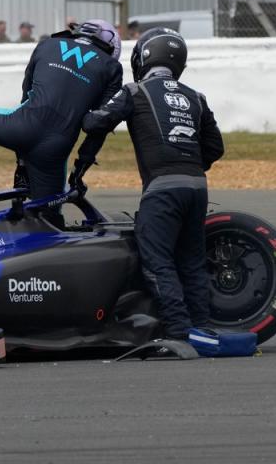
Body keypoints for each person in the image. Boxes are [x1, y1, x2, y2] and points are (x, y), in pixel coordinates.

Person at [74, 27, 224, 340]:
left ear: (143, 57)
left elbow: (95, 121)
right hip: (197, 188)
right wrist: (190, 164)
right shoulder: (196, 97)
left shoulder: (135, 91)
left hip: (162, 190)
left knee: (158, 262)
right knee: (192, 263)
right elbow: (215, 148)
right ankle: (203, 329)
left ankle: (178, 332)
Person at [0, 19, 123, 212]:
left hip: (21, 125)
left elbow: (26, 95)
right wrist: (78, 174)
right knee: (48, 218)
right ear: (111, 46)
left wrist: (21, 160)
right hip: (56, 150)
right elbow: (99, 126)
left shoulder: (47, 44)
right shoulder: (112, 68)